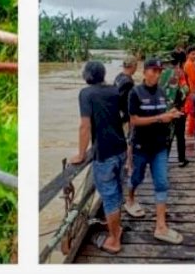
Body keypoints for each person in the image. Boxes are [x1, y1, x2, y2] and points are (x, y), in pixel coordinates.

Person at [70, 61, 128, 254]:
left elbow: (85, 126)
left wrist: (80, 154)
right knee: (117, 191)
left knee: (109, 197)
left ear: (87, 76)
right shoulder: (113, 90)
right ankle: (117, 228)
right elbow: (123, 116)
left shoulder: (86, 94)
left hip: (104, 153)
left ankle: (113, 240)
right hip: (121, 148)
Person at [125, 58, 184, 245]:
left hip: (160, 146)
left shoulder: (161, 92)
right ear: (144, 72)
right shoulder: (135, 93)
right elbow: (134, 121)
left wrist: (171, 114)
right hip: (141, 147)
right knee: (136, 178)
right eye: (153, 70)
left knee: (162, 183)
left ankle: (161, 226)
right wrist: (160, 118)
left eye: (159, 71)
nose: (157, 74)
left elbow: (162, 113)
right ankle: (130, 199)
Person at [159, 50, 190, 167]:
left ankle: (162, 162)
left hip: (163, 110)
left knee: (166, 137)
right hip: (177, 109)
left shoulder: (160, 73)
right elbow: (185, 90)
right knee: (180, 135)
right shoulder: (179, 73)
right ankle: (181, 159)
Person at [114, 56, 137, 174]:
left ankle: (125, 162)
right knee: (130, 139)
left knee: (126, 139)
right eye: (136, 66)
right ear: (132, 66)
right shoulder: (128, 82)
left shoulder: (118, 77)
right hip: (127, 116)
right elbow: (127, 101)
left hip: (118, 115)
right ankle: (129, 164)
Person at [184, 47, 195, 137]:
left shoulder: (189, 64)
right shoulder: (190, 65)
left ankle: (191, 130)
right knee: (192, 112)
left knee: (191, 111)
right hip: (192, 91)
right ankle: (190, 131)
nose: (194, 56)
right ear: (188, 55)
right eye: (192, 54)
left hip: (191, 90)